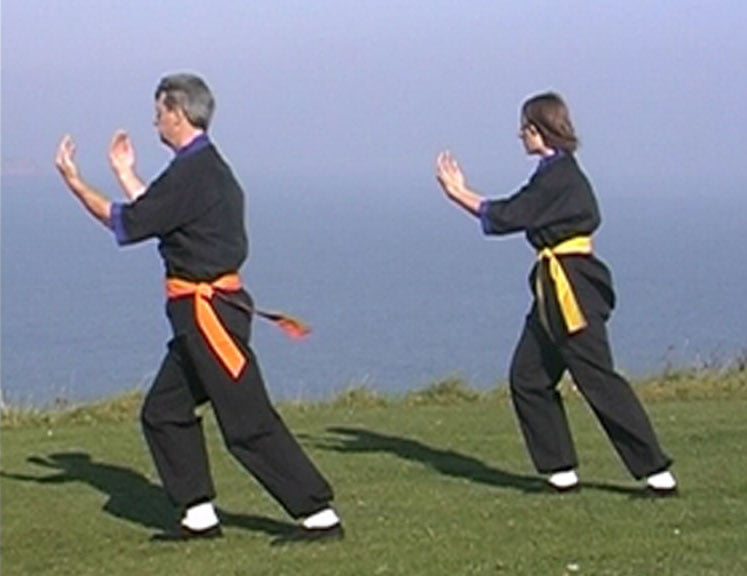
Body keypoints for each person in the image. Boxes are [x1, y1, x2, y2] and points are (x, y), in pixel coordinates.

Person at [54, 72, 344, 542]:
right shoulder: (201, 169)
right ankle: (198, 515)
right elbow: (159, 214)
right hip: (204, 316)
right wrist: (125, 172)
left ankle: (318, 515)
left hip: (210, 318)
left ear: (178, 113)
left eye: (159, 113)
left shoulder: (193, 173)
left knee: (246, 422)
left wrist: (73, 181)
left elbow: (124, 223)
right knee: (163, 412)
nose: (154, 122)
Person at [435, 92, 677, 495]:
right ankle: (560, 471)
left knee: (596, 377)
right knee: (528, 376)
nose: (520, 135)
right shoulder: (553, 173)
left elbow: (510, 214)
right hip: (554, 285)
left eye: (524, 128)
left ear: (538, 130)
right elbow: (520, 211)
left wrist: (458, 192)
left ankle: (656, 472)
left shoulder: (559, 176)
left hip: (573, 286)